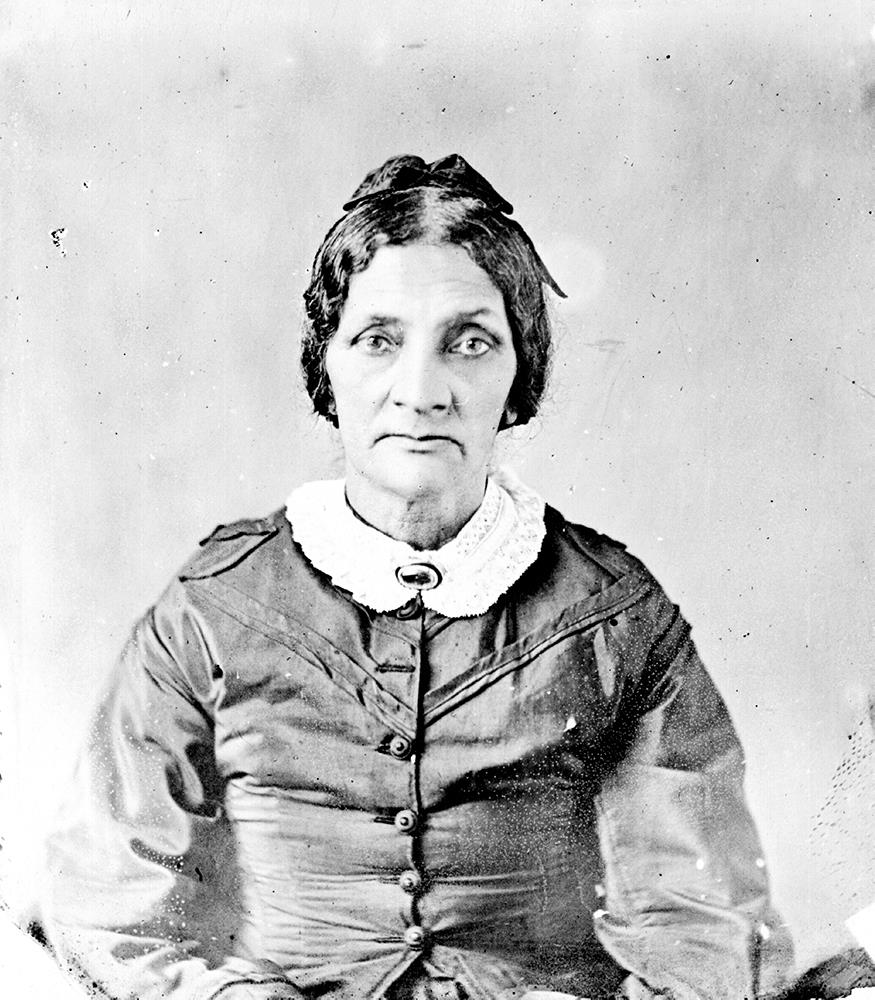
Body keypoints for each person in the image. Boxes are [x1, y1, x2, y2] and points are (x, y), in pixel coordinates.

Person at [43, 154, 792, 1000]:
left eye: (469, 343)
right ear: (327, 366)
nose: (421, 390)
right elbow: (112, 906)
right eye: (378, 340)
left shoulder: (613, 614)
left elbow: (701, 917)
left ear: (520, 376)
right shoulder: (214, 608)